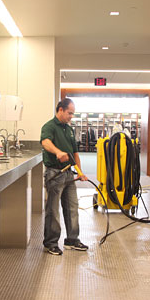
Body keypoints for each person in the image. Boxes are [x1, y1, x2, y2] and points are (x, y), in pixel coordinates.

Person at [40, 98, 89, 255]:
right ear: (60, 110)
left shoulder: (69, 129)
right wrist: (58, 152)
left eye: (73, 114)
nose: (71, 117)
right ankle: (51, 243)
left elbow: (75, 153)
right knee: (53, 210)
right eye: (69, 113)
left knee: (72, 207)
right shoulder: (49, 126)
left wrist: (80, 172)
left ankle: (72, 240)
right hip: (55, 173)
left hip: (69, 174)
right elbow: (45, 142)